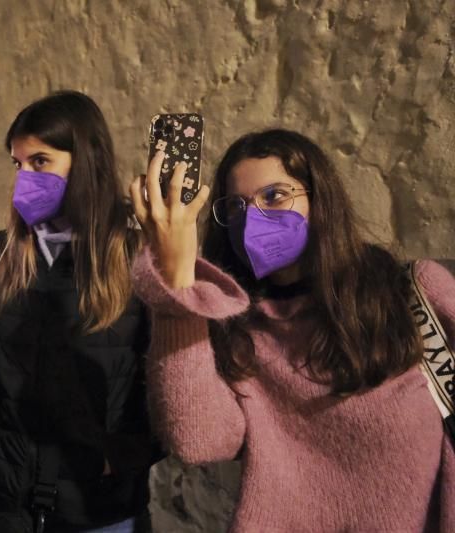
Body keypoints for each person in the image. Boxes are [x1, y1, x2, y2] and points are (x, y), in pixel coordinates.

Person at [129, 128, 454, 531]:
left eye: (274, 196)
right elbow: (200, 441)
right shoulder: (237, 328)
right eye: (236, 206)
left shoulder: (409, 292)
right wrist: (177, 285)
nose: (253, 217)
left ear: (319, 199)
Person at [0, 91, 160, 532]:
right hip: (1, 504)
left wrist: (123, 455)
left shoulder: (139, 255)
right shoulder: (2, 256)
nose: (24, 177)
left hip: (100, 509)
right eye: (17, 164)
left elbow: (176, 383)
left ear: (85, 161)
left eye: (41, 161)